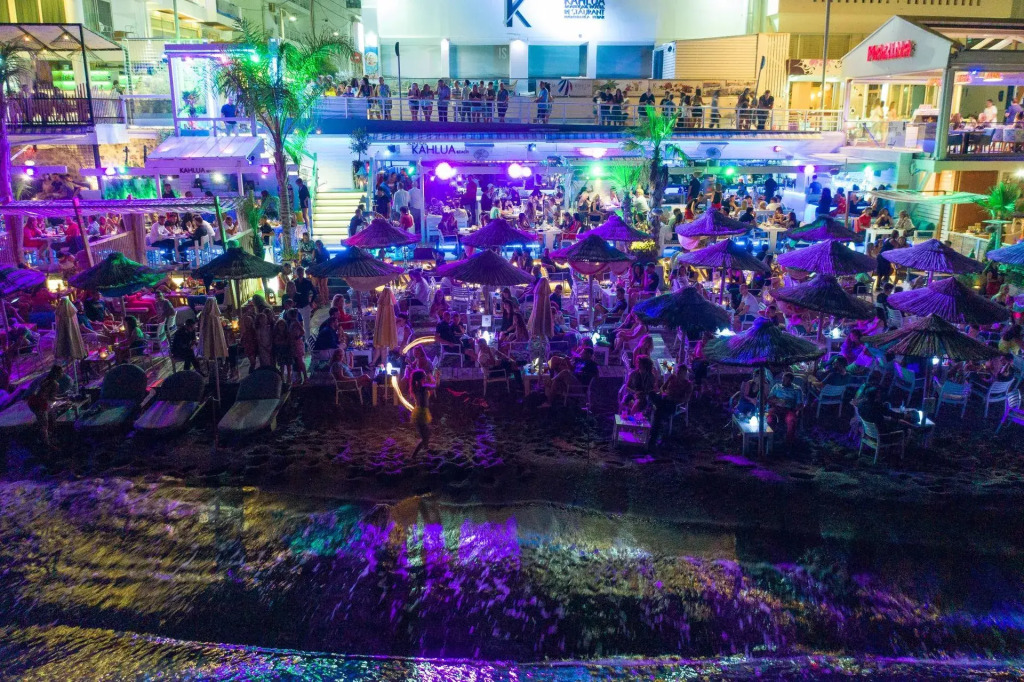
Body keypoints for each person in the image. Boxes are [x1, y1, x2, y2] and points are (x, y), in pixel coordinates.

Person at [650, 363, 693, 446]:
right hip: (664, 398)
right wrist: (663, 393)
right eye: (677, 372)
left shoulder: (688, 384)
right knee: (651, 394)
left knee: (658, 411)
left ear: (685, 373)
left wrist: (673, 399)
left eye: (680, 372)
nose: (678, 374)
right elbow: (662, 387)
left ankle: (654, 434)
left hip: (673, 404)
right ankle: (656, 433)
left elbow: (686, 399)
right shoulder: (672, 377)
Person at [27, 365, 64, 450]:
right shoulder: (55, 384)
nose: (63, 374)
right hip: (40, 403)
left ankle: (44, 437)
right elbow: (52, 398)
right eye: (61, 372)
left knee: (46, 420)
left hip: (32, 401)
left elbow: (42, 392)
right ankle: (47, 445)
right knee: (44, 425)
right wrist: (63, 398)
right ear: (58, 374)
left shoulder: (45, 379)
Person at [767, 371, 803, 446]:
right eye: (783, 379)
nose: (783, 381)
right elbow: (769, 398)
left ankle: (788, 442)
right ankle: (769, 438)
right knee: (770, 419)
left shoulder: (797, 389)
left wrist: (792, 405)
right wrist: (778, 400)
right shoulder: (777, 386)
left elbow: (799, 404)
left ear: (790, 381)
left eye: (785, 380)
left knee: (791, 420)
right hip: (777, 407)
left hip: (789, 409)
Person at [410, 369, 436, 458]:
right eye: (424, 375)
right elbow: (435, 386)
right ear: (421, 378)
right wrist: (434, 377)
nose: (426, 376)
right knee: (425, 437)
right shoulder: (423, 387)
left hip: (420, 412)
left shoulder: (417, 387)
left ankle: (426, 449)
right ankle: (413, 456)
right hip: (422, 414)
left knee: (427, 433)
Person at [291, 266, 318, 338]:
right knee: (298, 324)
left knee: (306, 325)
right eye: (299, 273)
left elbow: (315, 292)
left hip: (305, 305)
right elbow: (291, 293)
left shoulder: (307, 282)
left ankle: (307, 340)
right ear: (297, 273)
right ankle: (300, 339)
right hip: (297, 306)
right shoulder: (294, 282)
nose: (300, 274)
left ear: (303, 273)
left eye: (301, 273)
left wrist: (311, 302)